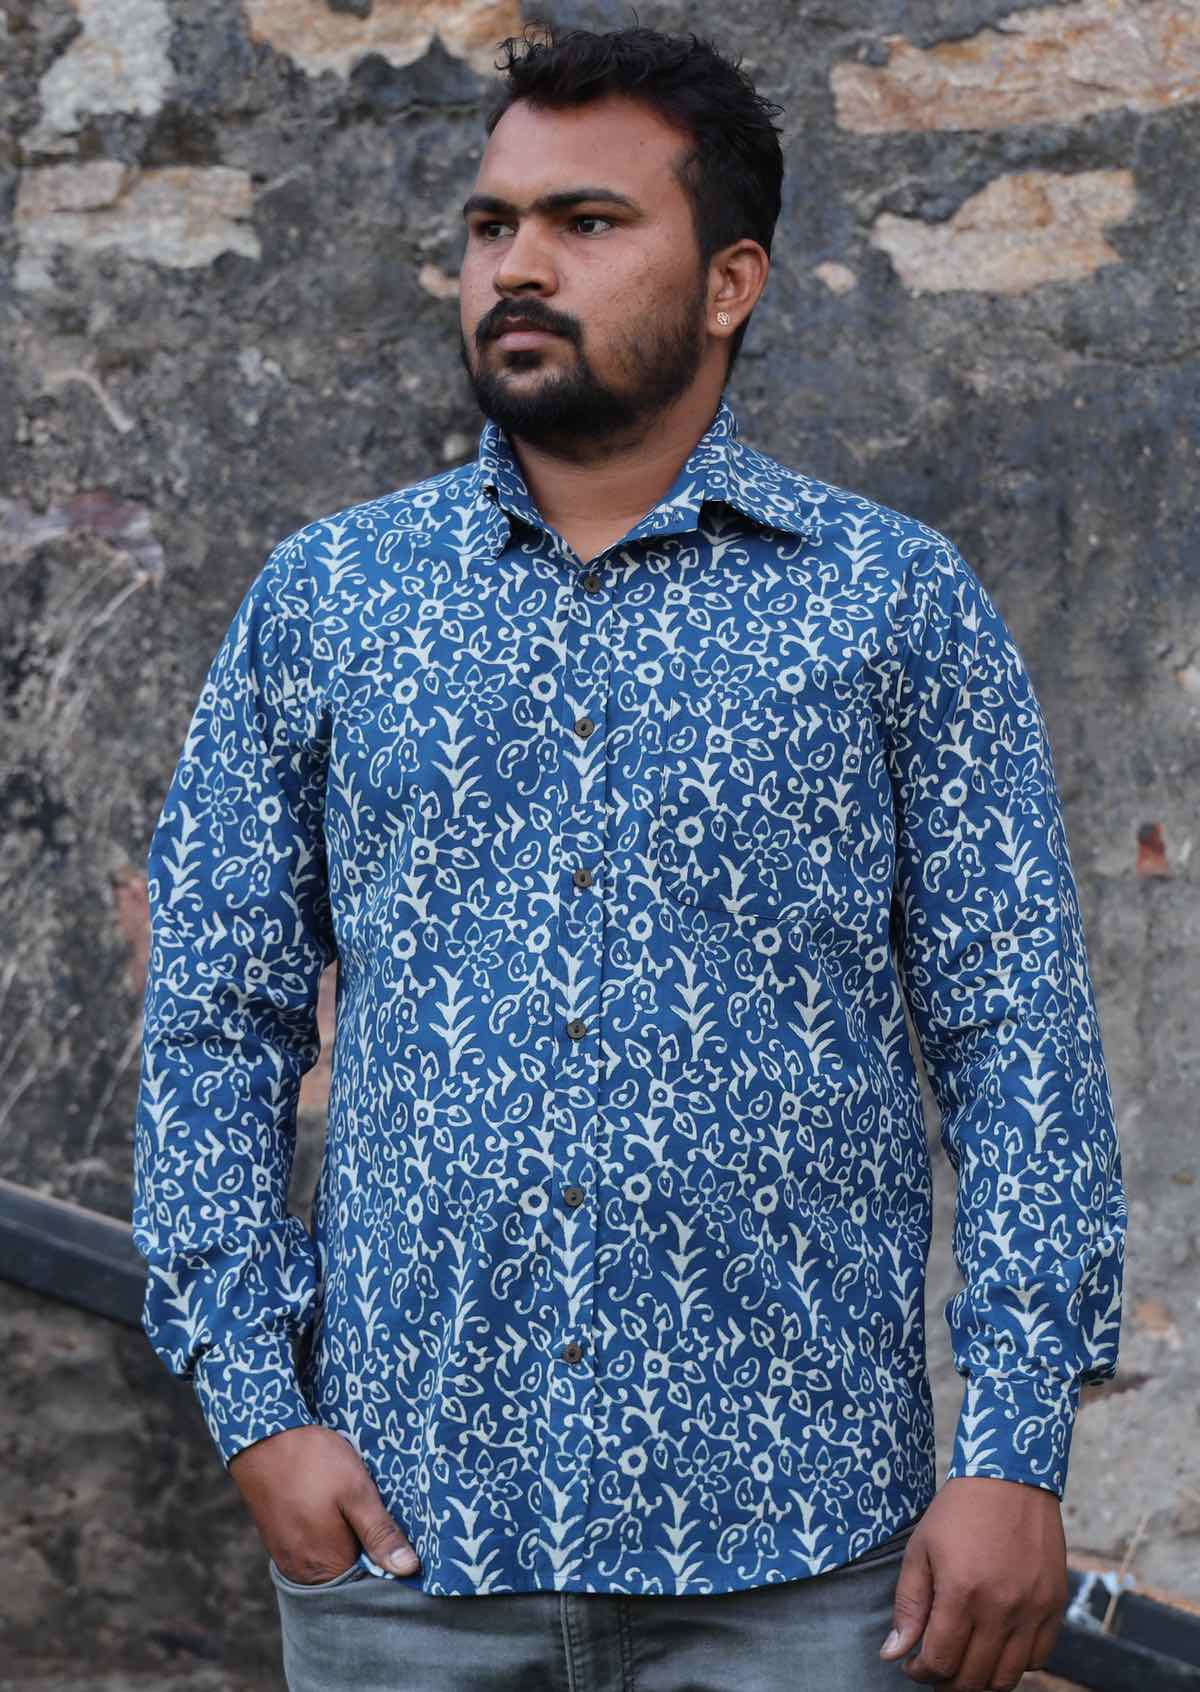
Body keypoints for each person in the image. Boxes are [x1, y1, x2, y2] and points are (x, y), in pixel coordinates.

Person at [130, 22, 1127, 1692]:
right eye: (491, 225)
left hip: (812, 1565)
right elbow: (214, 1016)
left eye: (588, 223)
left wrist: (1015, 1450)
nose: (517, 265)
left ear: (731, 281)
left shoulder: (891, 604)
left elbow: (1017, 1037)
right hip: (404, 1550)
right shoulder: (330, 602)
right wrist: (257, 1411)